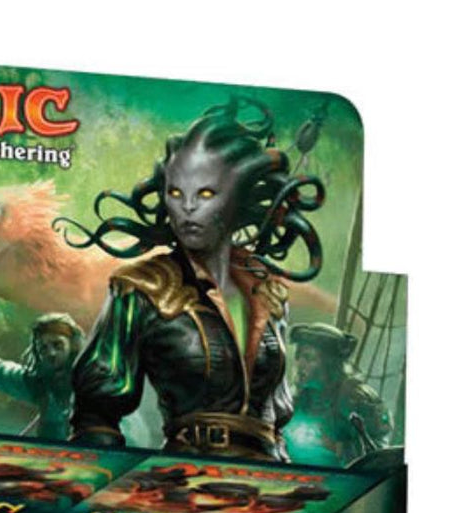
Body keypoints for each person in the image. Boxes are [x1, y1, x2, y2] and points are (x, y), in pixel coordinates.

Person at [57, 99, 324, 461]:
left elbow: (276, 420)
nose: (187, 208)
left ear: (239, 196)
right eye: (175, 192)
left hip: (267, 477)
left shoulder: (269, 291)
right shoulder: (141, 288)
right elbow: (95, 419)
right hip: (185, 474)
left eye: (206, 193)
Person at [0, 313, 84, 440]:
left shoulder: (88, 380)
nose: (51, 353)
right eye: (43, 348)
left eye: (58, 345)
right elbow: (6, 372)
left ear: (72, 345)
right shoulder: (41, 383)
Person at [286, 323, 392, 465]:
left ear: (330, 363)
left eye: (309, 358)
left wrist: (336, 447)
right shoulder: (299, 397)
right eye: (299, 357)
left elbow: (379, 454)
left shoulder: (357, 399)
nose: (300, 364)